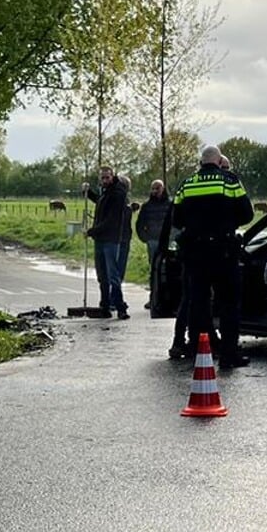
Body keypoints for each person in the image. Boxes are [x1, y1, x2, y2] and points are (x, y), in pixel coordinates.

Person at [171, 145, 254, 368]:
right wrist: (227, 221)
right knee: (228, 304)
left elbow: (176, 219)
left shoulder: (187, 184)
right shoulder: (229, 181)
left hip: (196, 253)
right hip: (223, 251)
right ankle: (229, 355)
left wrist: (196, 225)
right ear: (218, 162)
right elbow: (247, 213)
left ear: (201, 162)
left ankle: (201, 353)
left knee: (198, 304)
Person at [85, 165, 132, 319]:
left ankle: (120, 307)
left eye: (107, 177)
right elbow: (100, 203)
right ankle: (105, 305)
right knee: (102, 275)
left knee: (112, 275)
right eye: (102, 177)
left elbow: (111, 220)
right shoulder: (105, 193)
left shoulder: (118, 193)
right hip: (100, 239)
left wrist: (93, 231)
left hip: (111, 240)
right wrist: (88, 192)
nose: (104, 180)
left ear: (113, 177)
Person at [135, 179, 172, 307]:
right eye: (153, 188)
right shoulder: (147, 206)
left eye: (158, 188)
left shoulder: (170, 205)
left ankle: (168, 298)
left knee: (169, 269)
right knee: (154, 270)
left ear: (163, 189)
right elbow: (140, 224)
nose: (156, 191)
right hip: (153, 242)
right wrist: (145, 238)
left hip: (167, 242)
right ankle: (153, 298)